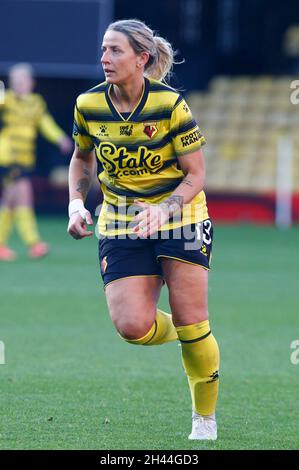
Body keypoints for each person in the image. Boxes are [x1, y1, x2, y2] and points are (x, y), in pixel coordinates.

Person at [67, 19, 220, 440]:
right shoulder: (88, 104)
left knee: (193, 320)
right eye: (103, 49)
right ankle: (193, 338)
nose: (104, 58)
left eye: (115, 50)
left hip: (182, 216)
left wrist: (163, 210)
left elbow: (196, 174)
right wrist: (77, 203)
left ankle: (204, 420)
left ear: (142, 58)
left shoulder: (171, 106)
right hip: (118, 220)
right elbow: (82, 159)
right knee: (132, 326)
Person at [0, 63, 72, 260]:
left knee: (11, 201)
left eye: (23, 81)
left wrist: (59, 138)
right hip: (8, 157)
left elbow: (45, 124)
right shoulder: (7, 100)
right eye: (16, 82)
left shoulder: (36, 103)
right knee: (22, 198)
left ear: (31, 83)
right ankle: (34, 243)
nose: (20, 85)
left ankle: (8, 244)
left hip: (24, 158)